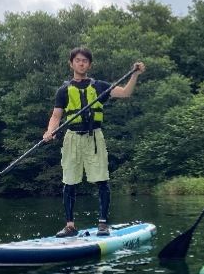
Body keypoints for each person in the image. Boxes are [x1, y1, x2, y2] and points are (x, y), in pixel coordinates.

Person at [43, 48, 145, 238]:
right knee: (69, 182)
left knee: (101, 180)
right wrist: (50, 131)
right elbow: (56, 116)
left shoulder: (99, 86)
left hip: (94, 137)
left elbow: (125, 93)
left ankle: (103, 224)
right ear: (71, 63)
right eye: (78, 60)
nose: (81, 63)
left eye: (85, 61)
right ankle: (70, 226)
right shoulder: (63, 90)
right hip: (72, 138)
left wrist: (135, 75)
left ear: (89, 65)